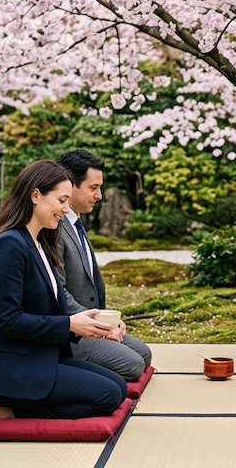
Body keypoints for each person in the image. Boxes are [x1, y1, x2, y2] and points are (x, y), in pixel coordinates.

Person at [0, 160, 127, 419]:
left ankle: (14, 409)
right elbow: (8, 321)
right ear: (36, 195)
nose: (65, 209)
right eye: (62, 200)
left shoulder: (40, 242)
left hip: (38, 355)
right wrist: (69, 325)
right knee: (107, 396)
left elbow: (51, 309)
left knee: (118, 386)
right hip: (7, 368)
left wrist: (92, 325)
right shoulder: (8, 245)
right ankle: (9, 411)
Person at [57, 149, 153, 381]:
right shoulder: (56, 228)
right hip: (74, 333)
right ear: (70, 186)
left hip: (94, 322)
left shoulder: (76, 222)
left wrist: (110, 322)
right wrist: (97, 326)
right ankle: (71, 368)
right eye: (93, 188)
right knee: (133, 366)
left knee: (144, 355)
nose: (99, 195)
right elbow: (58, 292)